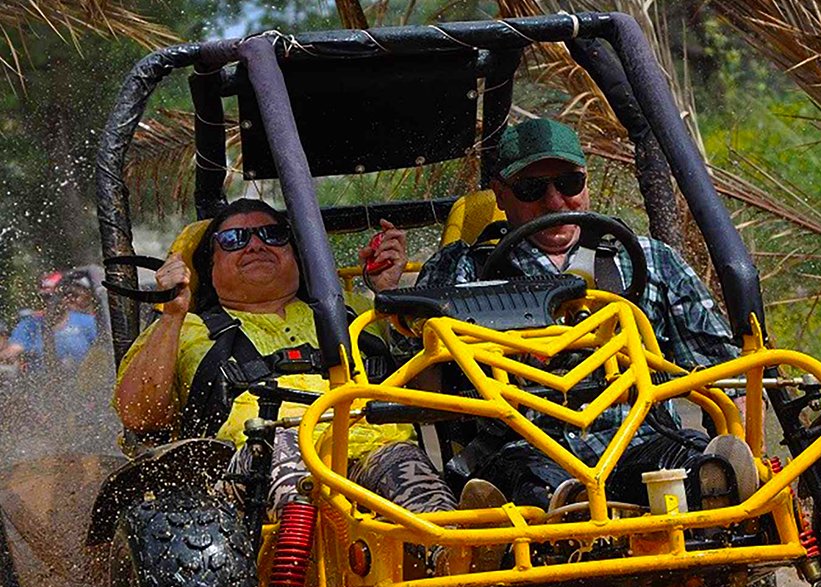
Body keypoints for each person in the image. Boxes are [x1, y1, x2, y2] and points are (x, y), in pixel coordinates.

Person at [361, 118, 745, 510]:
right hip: (524, 451)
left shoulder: (650, 260)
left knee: (697, 467)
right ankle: (564, 514)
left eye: (568, 184)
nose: (555, 201)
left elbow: (726, 374)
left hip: (641, 443)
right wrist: (392, 294)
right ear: (500, 194)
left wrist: (743, 438)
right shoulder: (461, 270)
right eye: (532, 188)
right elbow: (424, 391)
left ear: (586, 182)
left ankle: (716, 498)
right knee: (536, 487)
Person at [114, 198, 457, 527]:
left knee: (403, 461)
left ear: (296, 253)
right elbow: (140, 416)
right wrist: (172, 314)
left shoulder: (355, 312)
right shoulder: (184, 327)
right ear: (210, 265)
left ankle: (455, 548)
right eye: (234, 240)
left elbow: (431, 395)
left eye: (272, 234)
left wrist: (390, 294)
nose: (255, 246)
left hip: (370, 452)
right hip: (251, 471)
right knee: (281, 445)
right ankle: (314, 545)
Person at [0, 271, 99, 371]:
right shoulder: (29, 325)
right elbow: (11, 351)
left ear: (66, 297)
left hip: (80, 382)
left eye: (53, 296)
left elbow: (103, 351)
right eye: (44, 297)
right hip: (43, 383)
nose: (49, 302)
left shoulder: (86, 322)